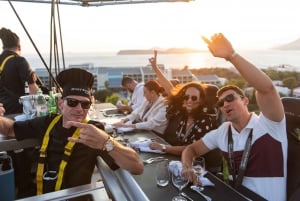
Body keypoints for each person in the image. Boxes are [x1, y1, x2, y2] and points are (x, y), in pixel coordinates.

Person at [0, 68, 144, 197]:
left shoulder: (94, 132)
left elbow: (137, 166)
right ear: (61, 104)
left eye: (85, 104)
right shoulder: (48, 123)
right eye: (72, 103)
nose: (79, 109)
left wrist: (106, 142)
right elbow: (10, 128)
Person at [181, 33, 287, 201]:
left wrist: (232, 56)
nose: (225, 105)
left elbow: (267, 88)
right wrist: (187, 167)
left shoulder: (271, 125)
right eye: (221, 103)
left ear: (245, 101)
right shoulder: (223, 131)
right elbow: (191, 149)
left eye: (230, 99)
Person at [148, 51, 221, 173]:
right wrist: (155, 68)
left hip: (203, 170)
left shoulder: (206, 120)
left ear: (201, 100)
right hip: (184, 165)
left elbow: (190, 149)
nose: (189, 101)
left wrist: (164, 148)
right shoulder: (184, 114)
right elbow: (170, 88)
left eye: (194, 98)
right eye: (186, 97)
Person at [0, 27, 38, 114]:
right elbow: (34, 91)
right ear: (19, 47)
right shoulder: (19, 61)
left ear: (3, 47)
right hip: (17, 113)